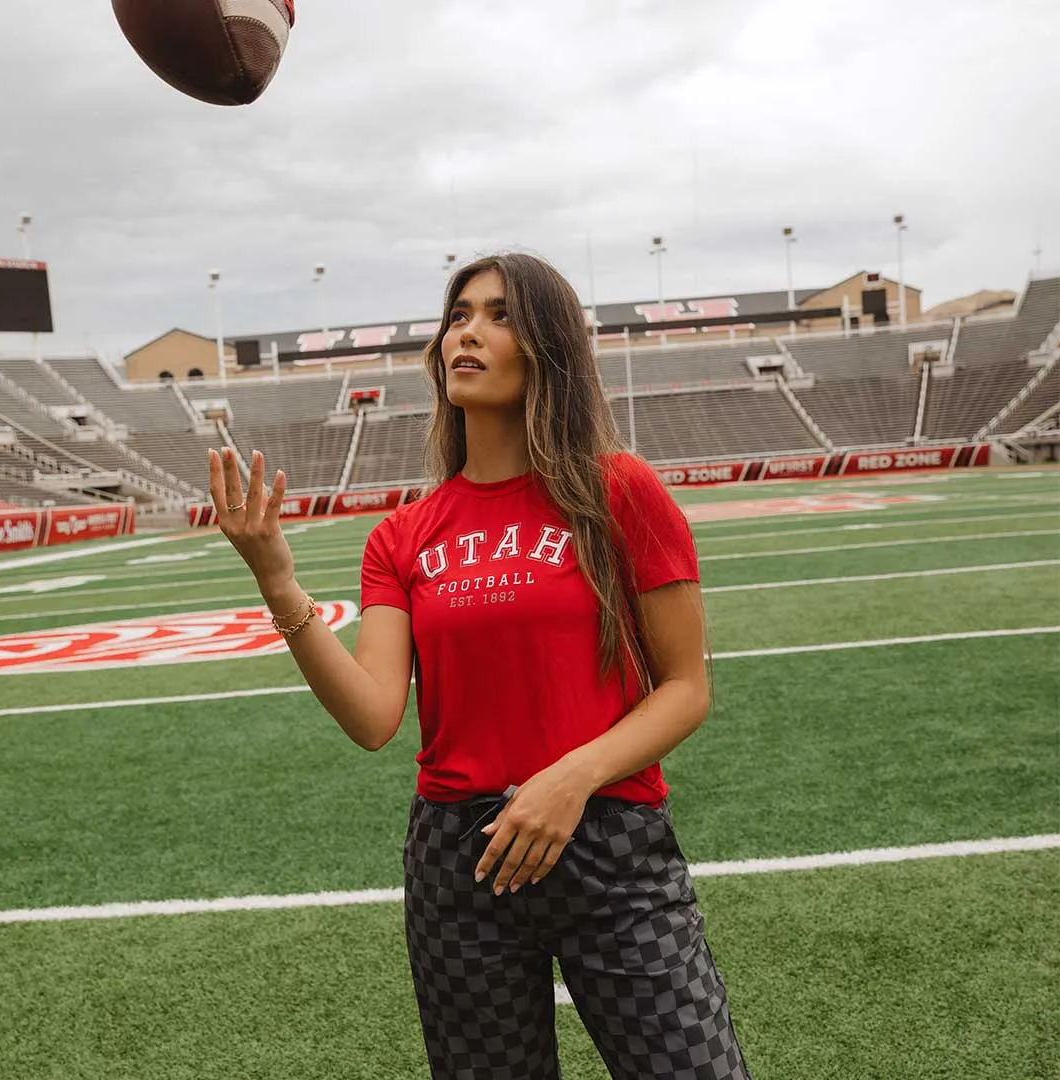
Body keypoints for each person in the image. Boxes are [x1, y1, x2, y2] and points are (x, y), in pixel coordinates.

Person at [208, 253, 752, 1080]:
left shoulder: (619, 490)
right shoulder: (402, 536)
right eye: (459, 315)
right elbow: (371, 716)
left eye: (499, 315)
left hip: (609, 844)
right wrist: (277, 581)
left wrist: (570, 779)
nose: (469, 331)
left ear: (548, 347)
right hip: (459, 862)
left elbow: (685, 688)